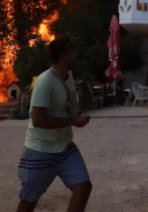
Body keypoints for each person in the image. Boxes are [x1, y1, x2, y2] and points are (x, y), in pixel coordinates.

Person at [16, 38, 92, 212]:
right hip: (41, 151)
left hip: (65, 148)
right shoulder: (45, 82)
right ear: (63, 56)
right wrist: (73, 121)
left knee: (83, 187)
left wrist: (77, 113)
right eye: (73, 50)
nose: (76, 54)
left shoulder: (69, 76)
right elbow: (38, 120)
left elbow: (67, 105)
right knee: (29, 202)